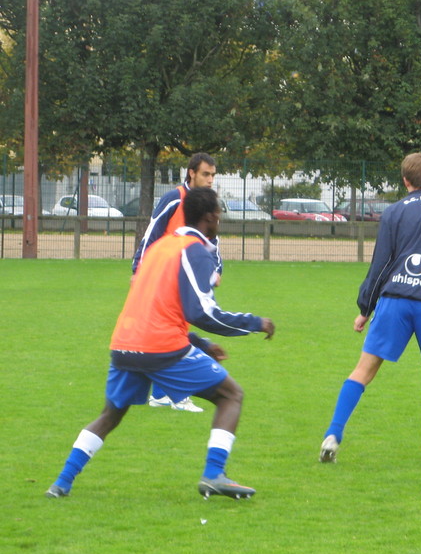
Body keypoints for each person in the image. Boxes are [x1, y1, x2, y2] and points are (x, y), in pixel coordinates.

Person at [46, 187, 275, 499]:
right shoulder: (195, 250)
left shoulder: (161, 247)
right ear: (210, 217)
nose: (220, 219)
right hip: (159, 346)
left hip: (125, 343)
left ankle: (61, 483)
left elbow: (158, 306)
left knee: (110, 415)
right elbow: (201, 311)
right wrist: (254, 323)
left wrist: (200, 344)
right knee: (231, 395)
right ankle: (214, 474)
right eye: (219, 213)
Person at [319, 152, 421, 465]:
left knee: (363, 370)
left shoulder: (393, 212)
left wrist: (366, 307)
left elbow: (382, 265)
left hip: (394, 302)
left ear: (405, 181)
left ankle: (333, 434)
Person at [132, 152, 220, 412]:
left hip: (186, 277)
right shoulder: (174, 198)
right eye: (206, 174)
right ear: (191, 172)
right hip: (164, 277)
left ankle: (161, 394)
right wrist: (138, 270)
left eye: (213, 175)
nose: (210, 180)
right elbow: (152, 234)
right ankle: (177, 394)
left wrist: (216, 268)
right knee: (173, 334)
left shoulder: (207, 203)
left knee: (174, 333)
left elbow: (213, 241)